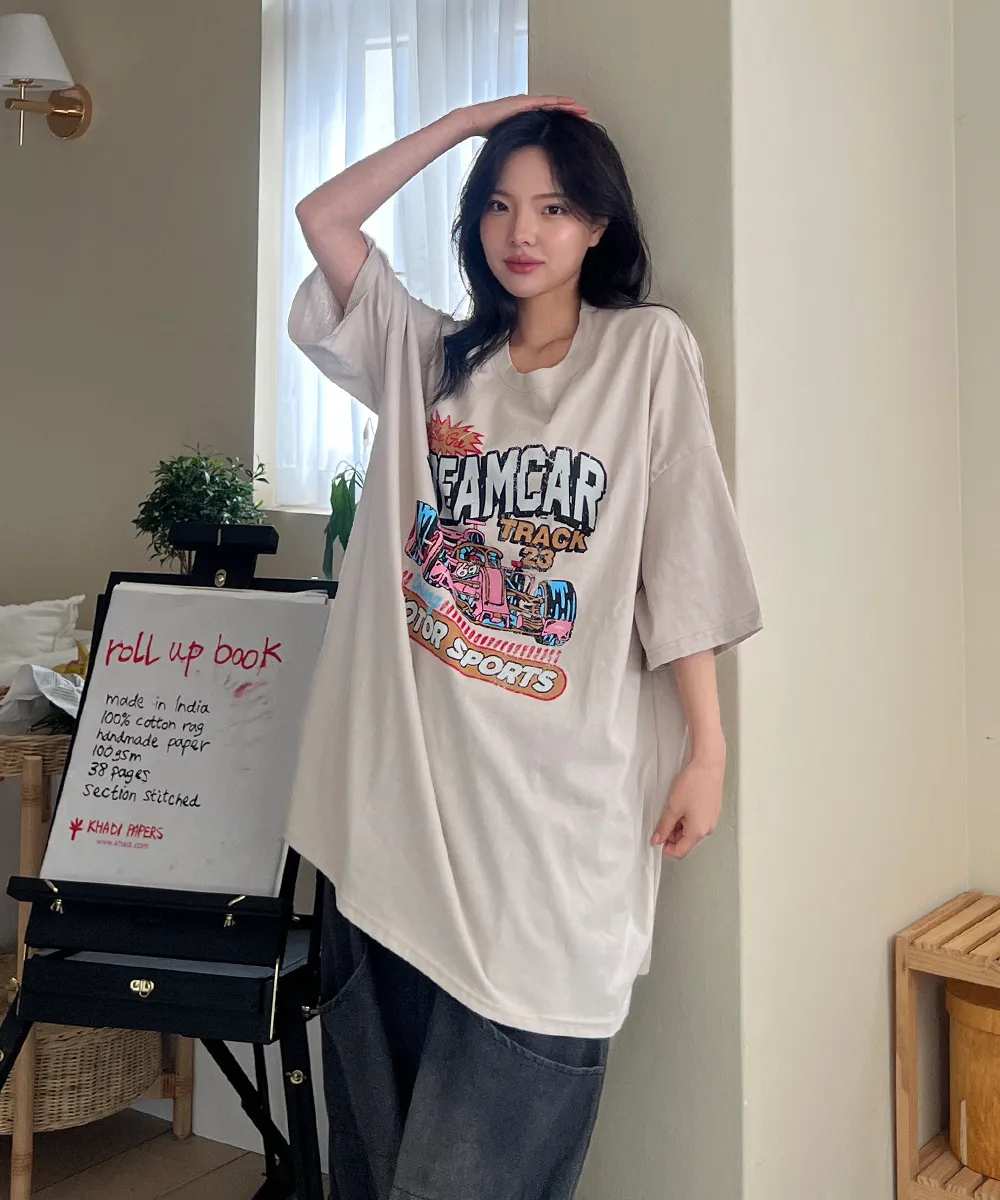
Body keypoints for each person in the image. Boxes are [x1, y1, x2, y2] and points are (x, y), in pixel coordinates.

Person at [286, 94, 762, 1200]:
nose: (522, 231)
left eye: (552, 207)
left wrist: (708, 747)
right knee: (375, 1171)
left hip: (553, 829)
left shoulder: (645, 352)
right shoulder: (429, 360)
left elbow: (681, 557)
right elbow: (323, 218)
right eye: (499, 206)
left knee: (472, 1173)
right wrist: (468, 121)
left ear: (598, 223)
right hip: (403, 813)